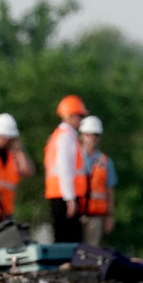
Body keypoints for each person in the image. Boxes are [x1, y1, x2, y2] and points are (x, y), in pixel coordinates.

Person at [44, 95, 88, 243]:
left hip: (58, 194)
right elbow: (65, 169)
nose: (81, 120)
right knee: (69, 238)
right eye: (79, 116)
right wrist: (70, 199)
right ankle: (66, 266)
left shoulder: (58, 136)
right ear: (70, 115)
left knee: (62, 236)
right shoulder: (66, 137)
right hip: (65, 196)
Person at [0, 113, 35, 220]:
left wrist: (19, 149)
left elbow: (27, 171)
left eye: (8, 137)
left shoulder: (13, 155)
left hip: (6, 211)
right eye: (2, 136)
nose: (5, 139)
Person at [78, 115, 117, 246]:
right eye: (89, 134)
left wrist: (110, 216)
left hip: (95, 216)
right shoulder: (74, 157)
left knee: (90, 252)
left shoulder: (106, 162)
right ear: (83, 135)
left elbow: (109, 190)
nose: (93, 138)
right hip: (76, 213)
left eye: (96, 135)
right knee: (71, 251)